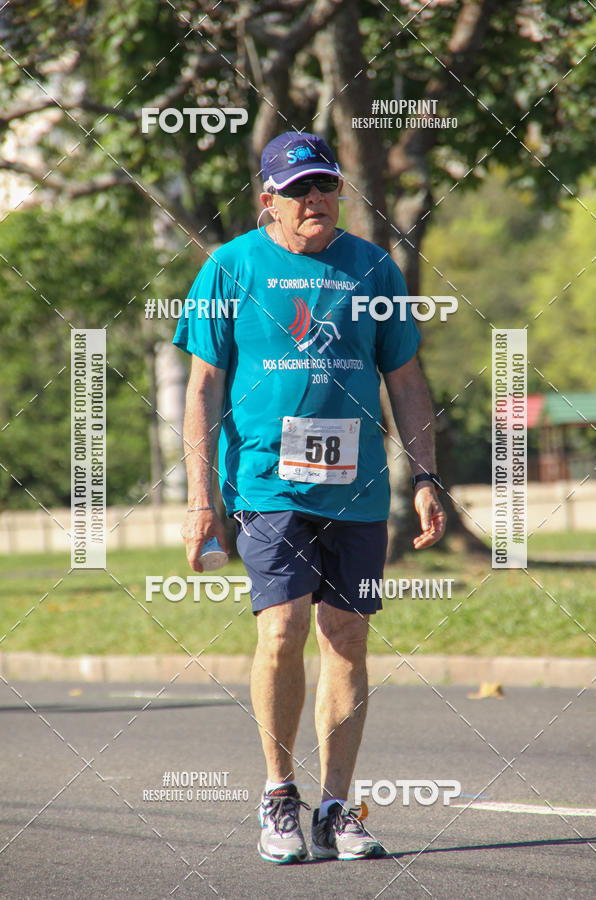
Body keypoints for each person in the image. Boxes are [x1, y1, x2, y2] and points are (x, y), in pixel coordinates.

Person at [173, 132, 446, 864]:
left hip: (356, 492)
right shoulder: (230, 269)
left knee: (348, 639)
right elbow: (201, 388)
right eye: (298, 190)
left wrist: (425, 477)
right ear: (268, 201)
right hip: (268, 485)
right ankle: (277, 794)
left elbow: (408, 382)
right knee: (283, 627)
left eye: (325, 186)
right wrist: (203, 500)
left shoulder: (373, 268)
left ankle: (337, 806)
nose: (316, 199)